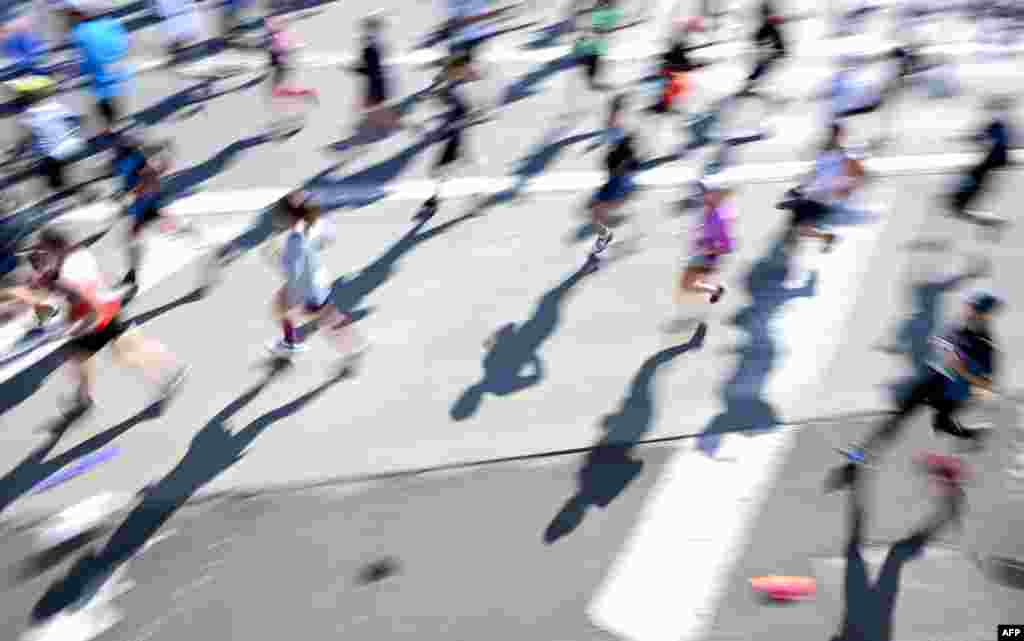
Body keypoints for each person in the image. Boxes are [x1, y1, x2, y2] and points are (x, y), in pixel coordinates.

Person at [9, 226, 187, 420]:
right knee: (86, 356)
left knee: (125, 354)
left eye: (45, 249)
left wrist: (71, 327)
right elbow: (61, 288)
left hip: (95, 317)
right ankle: (84, 399)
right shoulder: (76, 254)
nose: (42, 254)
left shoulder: (66, 273)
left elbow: (79, 300)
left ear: (55, 247)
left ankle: (170, 375)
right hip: (103, 308)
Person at [830, 292, 1001, 488]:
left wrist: (963, 372)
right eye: (969, 307)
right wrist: (941, 348)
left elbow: (986, 385)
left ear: (986, 315)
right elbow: (942, 342)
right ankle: (861, 455)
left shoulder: (986, 347)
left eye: (975, 310)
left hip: (953, 395)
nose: (968, 312)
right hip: (934, 379)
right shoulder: (959, 328)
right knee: (899, 417)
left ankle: (973, 435)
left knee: (942, 425)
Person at [265, 190, 365, 359]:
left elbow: (293, 273)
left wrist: (275, 258)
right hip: (318, 281)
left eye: (282, 215)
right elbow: (327, 238)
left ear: (290, 218)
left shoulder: (294, 241)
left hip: (308, 291)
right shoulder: (314, 225)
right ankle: (354, 347)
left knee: (285, 309)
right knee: (328, 317)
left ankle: (292, 343)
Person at [781, 123, 863, 275]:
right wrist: (802, 186)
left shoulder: (845, 156)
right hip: (811, 195)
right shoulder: (824, 152)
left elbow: (857, 175)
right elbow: (816, 173)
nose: (831, 137)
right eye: (830, 134)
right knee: (796, 230)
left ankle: (794, 259)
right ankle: (823, 238)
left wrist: (845, 190)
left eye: (835, 134)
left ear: (841, 136)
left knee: (796, 230)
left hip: (821, 198)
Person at [9, 75, 99, 207]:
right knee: (67, 175)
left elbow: (24, 142)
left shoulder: (28, 116)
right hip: (75, 145)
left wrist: (15, 156)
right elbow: (78, 120)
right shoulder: (56, 106)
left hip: (55, 154)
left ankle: (75, 199)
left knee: (53, 181)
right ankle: (86, 193)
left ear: (27, 97)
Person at [666, 178, 732, 332]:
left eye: (704, 193)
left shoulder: (717, 216)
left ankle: (712, 294)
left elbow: (726, 246)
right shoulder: (709, 209)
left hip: (705, 258)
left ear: (713, 195)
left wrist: (708, 248)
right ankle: (712, 294)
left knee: (687, 285)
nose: (699, 196)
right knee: (691, 285)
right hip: (702, 256)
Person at [62, 1, 131, 139]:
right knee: (115, 98)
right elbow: (125, 43)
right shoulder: (113, 23)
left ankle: (109, 127)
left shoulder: (79, 32)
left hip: (98, 74)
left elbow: (79, 59)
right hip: (118, 69)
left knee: (102, 102)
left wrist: (71, 74)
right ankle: (117, 123)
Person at [587, 93, 640, 260]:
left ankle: (607, 238)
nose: (609, 119)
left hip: (617, 183)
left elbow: (629, 162)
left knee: (597, 213)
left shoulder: (619, 134)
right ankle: (608, 235)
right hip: (617, 181)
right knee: (597, 213)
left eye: (612, 113)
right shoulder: (616, 131)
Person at [949, 96, 1013, 219]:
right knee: (977, 175)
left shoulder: (996, 124)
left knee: (976, 175)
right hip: (997, 157)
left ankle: (962, 201)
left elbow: (983, 137)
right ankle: (962, 200)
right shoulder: (1000, 123)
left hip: (996, 157)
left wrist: (968, 138)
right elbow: (983, 137)